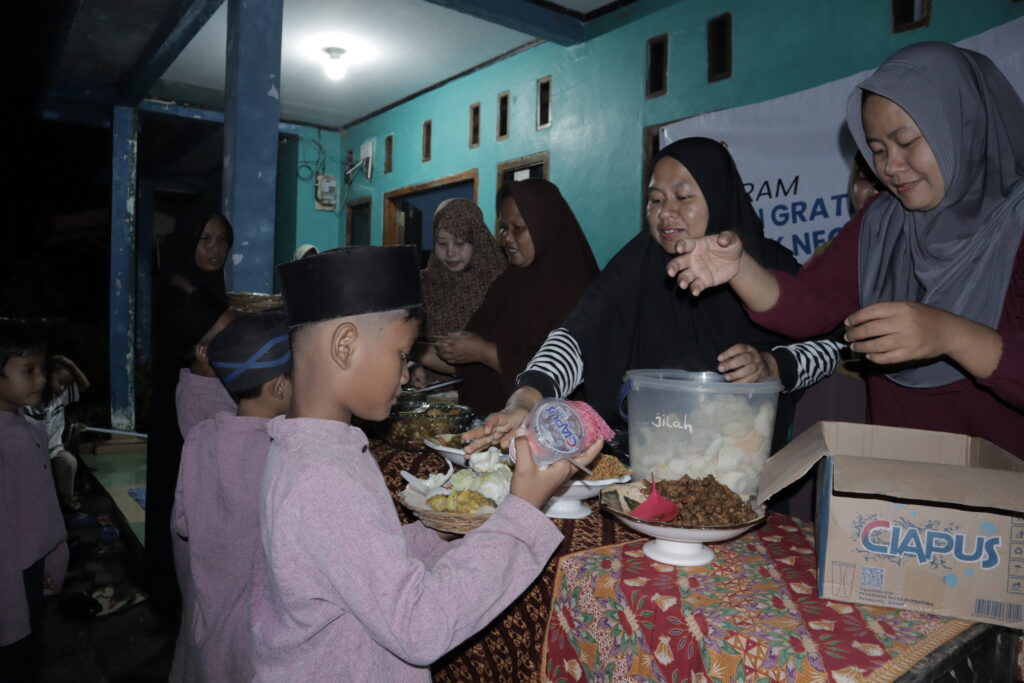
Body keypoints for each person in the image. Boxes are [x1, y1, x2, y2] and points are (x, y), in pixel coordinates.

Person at [250, 246, 601, 680]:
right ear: (345, 346)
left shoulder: (316, 450)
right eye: (401, 354)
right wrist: (522, 513)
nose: (405, 372)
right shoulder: (319, 477)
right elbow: (420, 626)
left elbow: (367, 557)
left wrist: (455, 525)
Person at [667, 43, 1024, 458]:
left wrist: (951, 334)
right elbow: (810, 306)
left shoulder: (1016, 223)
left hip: (1003, 497)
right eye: (877, 149)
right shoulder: (881, 222)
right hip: (899, 490)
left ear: (965, 126)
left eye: (907, 141)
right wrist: (739, 267)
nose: (890, 166)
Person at [467, 138, 817, 455]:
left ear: (717, 194)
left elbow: (829, 344)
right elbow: (579, 336)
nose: (665, 212)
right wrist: (527, 398)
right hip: (649, 464)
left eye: (683, 197)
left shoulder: (768, 264)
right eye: (655, 199)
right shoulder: (637, 265)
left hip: (741, 471)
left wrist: (773, 365)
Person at [170, 311, 292, 683]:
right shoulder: (280, 450)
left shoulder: (201, 437)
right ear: (280, 387)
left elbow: (182, 522)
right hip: (257, 622)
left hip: (209, 607)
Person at [432, 180, 599, 414]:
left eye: (518, 227)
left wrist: (484, 351)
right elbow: (466, 350)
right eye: (503, 228)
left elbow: (566, 366)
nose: (507, 238)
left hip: (552, 429)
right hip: (492, 425)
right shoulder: (507, 283)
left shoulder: (578, 290)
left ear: (546, 226)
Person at [147, 203, 233, 612]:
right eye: (205, 240)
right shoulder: (178, 284)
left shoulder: (205, 284)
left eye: (222, 240)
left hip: (198, 407)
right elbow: (228, 329)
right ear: (187, 243)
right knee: (182, 496)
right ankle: (177, 596)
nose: (215, 250)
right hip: (178, 411)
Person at [0, 322, 68, 682]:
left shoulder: (31, 429)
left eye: (42, 368)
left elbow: (45, 504)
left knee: (29, 658)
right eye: (28, 370)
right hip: (6, 582)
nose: (40, 379)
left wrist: (56, 555)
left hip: (31, 572)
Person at [413, 199, 506, 390]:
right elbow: (412, 336)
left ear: (477, 240)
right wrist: (412, 365)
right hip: (432, 398)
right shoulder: (424, 283)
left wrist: (417, 353)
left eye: (460, 243)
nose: (451, 253)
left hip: (489, 395)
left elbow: (513, 356)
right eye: (441, 243)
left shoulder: (501, 283)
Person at [25, 354, 90, 512]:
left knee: (69, 462)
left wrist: (72, 364)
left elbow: (85, 385)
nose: (62, 388)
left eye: (66, 386)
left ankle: (66, 498)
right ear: (46, 376)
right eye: (60, 382)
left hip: (54, 450)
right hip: (31, 453)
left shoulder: (62, 397)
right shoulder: (30, 398)